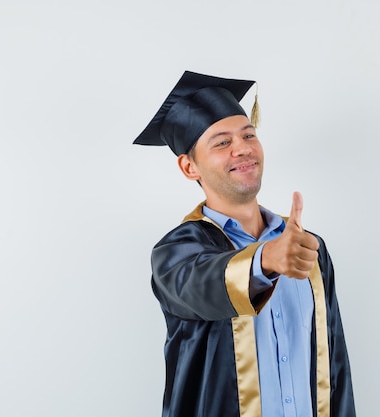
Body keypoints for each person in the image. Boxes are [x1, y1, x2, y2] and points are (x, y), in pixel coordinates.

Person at [134, 70, 356, 417]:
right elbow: (200, 284)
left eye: (248, 135)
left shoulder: (307, 246)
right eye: (222, 142)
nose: (242, 148)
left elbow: (335, 362)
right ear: (189, 167)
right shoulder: (176, 253)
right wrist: (265, 259)